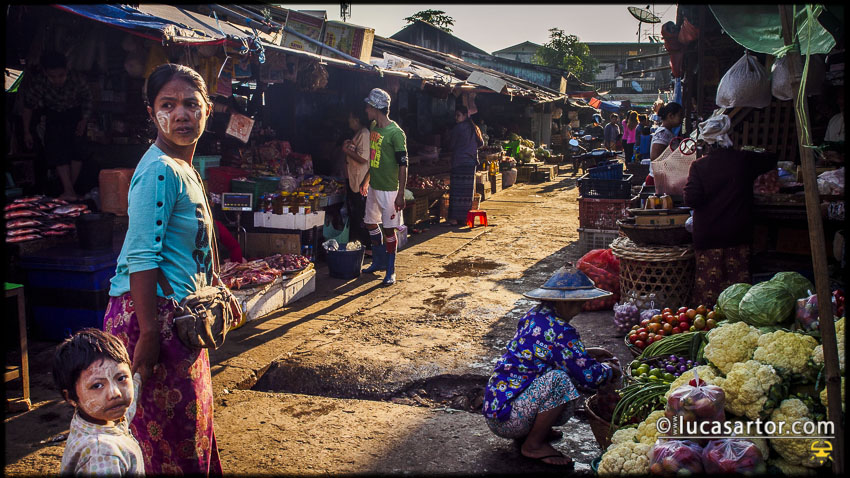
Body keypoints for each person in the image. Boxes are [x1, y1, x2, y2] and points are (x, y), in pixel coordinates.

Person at [105, 63, 227, 475]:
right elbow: (142, 257)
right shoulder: (159, 169)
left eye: (191, 104)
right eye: (168, 105)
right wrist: (151, 334)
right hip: (151, 319)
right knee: (167, 445)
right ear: (151, 112)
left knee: (189, 432)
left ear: (207, 109)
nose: (181, 115)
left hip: (178, 321)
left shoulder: (183, 167)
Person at [483, 266, 622, 467]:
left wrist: (588, 352)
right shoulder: (561, 331)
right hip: (508, 419)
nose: (581, 307)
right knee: (560, 381)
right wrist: (611, 369)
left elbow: (550, 353)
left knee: (560, 372)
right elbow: (591, 377)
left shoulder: (535, 315)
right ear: (563, 302)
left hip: (500, 407)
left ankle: (536, 429)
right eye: (578, 302)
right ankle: (533, 444)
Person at [683, 114, 776, 306]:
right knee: (739, 296)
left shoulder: (699, 166)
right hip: (738, 235)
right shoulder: (744, 160)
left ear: (707, 143)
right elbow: (771, 159)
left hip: (709, 236)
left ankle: (706, 328)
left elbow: (691, 199)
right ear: (728, 137)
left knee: (708, 295)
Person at [52, 328, 144, 476]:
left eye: (121, 378)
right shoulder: (103, 455)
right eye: (97, 386)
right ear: (71, 398)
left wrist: (141, 375)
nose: (116, 393)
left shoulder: (96, 418)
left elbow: (125, 417)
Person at [21, 50, 93, 201]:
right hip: (54, 116)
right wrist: (27, 130)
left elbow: (88, 98)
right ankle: (68, 190)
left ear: (67, 70)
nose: (57, 80)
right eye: (52, 77)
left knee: (77, 151)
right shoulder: (39, 82)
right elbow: (28, 106)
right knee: (57, 151)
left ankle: (69, 190)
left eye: (61, 75)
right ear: (45, 73)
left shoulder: (77, 79)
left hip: (76, 115)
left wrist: (84, 120)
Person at [360, 88, 408, 286]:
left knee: (389, 231)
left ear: (376, 108)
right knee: (370, 223)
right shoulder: (373, 127)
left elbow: (404, 165)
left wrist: (401, 194)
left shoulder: (396, 133)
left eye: (368, 106)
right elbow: (374, 158)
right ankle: (378, 261)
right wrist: (366, 179)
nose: (366, 110)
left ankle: (391, 269)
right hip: (374, 186)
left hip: (390, 189)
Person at [445, 104, 484, 226]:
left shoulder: (458, 128)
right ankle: (464, 218)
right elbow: (481, 143)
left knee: (456, 192)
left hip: (459, 162)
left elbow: (451, 145)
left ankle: (454, 218)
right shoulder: (474, 127)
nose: (456, 118)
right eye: (455, 115)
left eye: (458, 115)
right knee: (467, 193)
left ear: (465, 115)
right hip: (470, 163)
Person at [342, 108, 373, 250]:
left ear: (356, 119)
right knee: (356, 214)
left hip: (361, 181)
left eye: (350, 118)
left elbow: (363, 158)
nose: (348, 122)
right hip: (355, 179)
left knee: (361, 215)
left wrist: (346, 150)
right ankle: (359, 245)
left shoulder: (364, 133)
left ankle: (365, 245)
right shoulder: (359, 134)